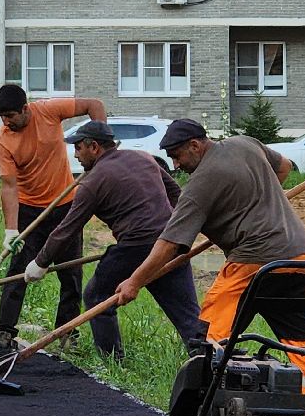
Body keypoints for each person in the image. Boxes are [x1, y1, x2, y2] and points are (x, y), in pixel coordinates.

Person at [112, 120, 305, 402]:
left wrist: (134, 282)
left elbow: (170, 244)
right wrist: (256, 201)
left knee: (211, 337)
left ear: (195, 145)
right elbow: (284, 167)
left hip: (255, 262)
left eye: (177, 156)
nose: (176, 165)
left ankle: (206, 402)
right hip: (302, 257)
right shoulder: (245, 143)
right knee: (303, 336)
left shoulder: (200, 184)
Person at [21, 121, 205, 361]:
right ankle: (207, 361)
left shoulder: (93, 182)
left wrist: (40, 262)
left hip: (135, 247)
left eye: (78, 148)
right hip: (170, 244)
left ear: (94, 147)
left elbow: (67, 229)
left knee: (98, 297)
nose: (75, 155)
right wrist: (178, 230)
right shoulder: (144, 158)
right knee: (187, 313)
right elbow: (176, 195)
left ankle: (111, 362)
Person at [0, 84, 106, 346]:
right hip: (29, 210)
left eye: (10, 116)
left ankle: (66, 333)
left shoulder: (49, 110)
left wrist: (103, 143)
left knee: (71, 273)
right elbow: (9, 187)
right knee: (18, 270)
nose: (6, 122)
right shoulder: (3, 140)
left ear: (24, 108)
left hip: (65, 206)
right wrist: (11, 230)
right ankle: (5, 331)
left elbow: (94, 105)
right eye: (2, 118)